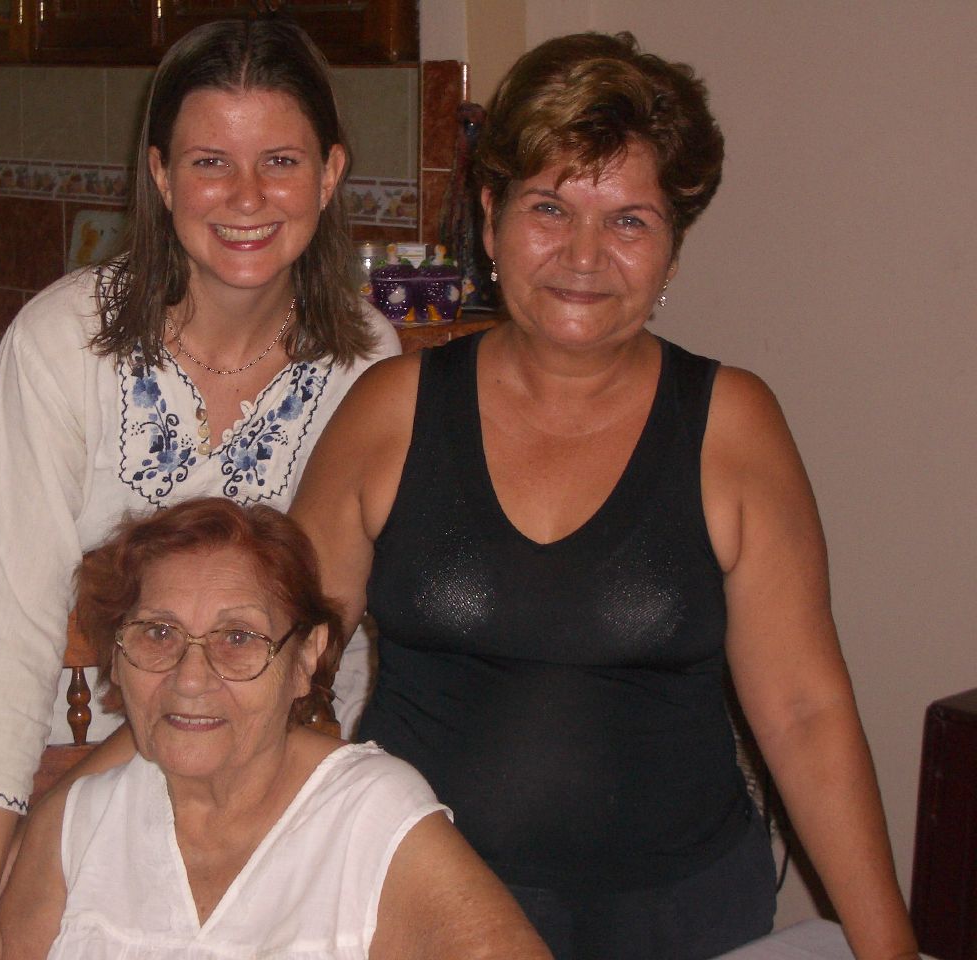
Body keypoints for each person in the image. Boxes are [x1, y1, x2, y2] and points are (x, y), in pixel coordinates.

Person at [289, 31, 920, 960]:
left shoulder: (733, 426)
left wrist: (891, 951)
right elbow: (284, 662)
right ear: (492, 213)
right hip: (420, 911)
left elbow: (804, 713)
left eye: (629, 220)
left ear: (672, 247)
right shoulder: (392, 411)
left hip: (681, 922)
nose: (584, 255)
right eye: (550, 208)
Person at [0, 18, 401, 960]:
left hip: (269, 784)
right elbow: (6, 630)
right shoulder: (62, 344)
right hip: (81, 790)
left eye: (283, 161)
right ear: (163, 176)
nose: (248, 198)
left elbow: (328, 637)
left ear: (331, 174)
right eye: (211, 161)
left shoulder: (365, 362)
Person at [0, 498, 551, 960]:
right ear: (116, 658)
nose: (190, 680)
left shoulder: (369, 816)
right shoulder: (75, 828)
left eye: (237, 638)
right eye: (158, 633)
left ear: (306, 658)